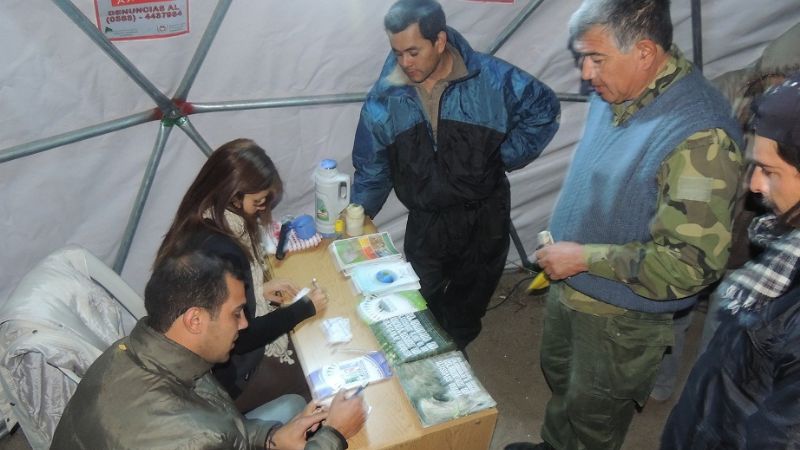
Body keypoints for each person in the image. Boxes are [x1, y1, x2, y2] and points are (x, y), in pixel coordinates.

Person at [505, 1, 745, 449]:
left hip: (619, 318)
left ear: (645, 52)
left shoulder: (699, 139)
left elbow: (689, 267)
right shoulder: (617, 89)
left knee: (594, 417)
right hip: (575, 285)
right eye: (581, 59)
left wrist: (582, 258)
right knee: (565, 388)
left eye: (596, 59)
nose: (586, 73)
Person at [351, 0, 560, 350]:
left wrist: (503, 156)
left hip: (484, 212)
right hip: (428, 217)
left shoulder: (491, 79)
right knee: (421, 295)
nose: (405, 63)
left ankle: (458, 347)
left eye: (413, 51)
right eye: (397, 52)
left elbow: (543, 108)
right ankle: (427, 353)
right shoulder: (385, 98)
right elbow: (372, 166)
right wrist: (358, 214)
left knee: (471, 294)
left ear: (440, 40)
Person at [51, 251, 366, 449]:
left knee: (292, 408)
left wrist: (270, 440)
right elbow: (205, 433)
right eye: (235, 313)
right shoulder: (191, 437)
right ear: (195, 320)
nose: (243, 325)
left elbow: (220, 426)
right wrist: (335, 434)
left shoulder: (132, 351)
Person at [650, 22, 800, 402]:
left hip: (751, 246)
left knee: (723, 326)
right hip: (696, 230)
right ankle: (660, 384)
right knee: (675, 310)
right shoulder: (723, 91)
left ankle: (700, 397)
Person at [154, 138, 327, 412]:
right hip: (227, 382)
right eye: (258, 202)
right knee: (321, 379)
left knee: (311, 346)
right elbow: (241, 335)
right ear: (233, 196)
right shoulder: (224, 251)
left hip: (205, 370)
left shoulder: (199, 223)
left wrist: (258, 291)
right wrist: (303, 309)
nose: (263, 209)